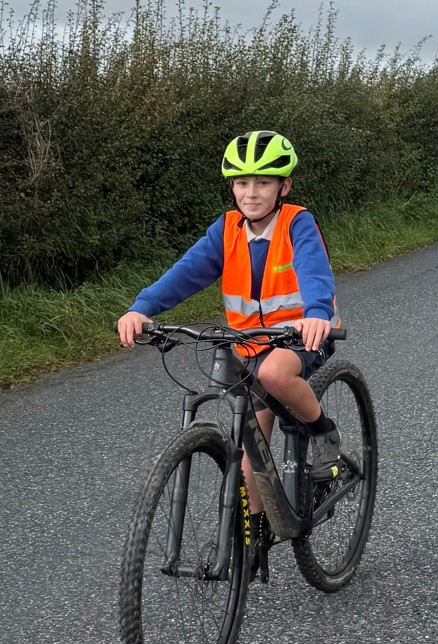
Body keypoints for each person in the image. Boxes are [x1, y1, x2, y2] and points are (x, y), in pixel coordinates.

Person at [116, 130, 343, 581]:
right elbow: (186, 273)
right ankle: (255, 530)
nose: (251, 192)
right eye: (241, 183)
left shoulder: (297, 223)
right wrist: (142, 307)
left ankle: (324, 435)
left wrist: (317, 313)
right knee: (248, 452)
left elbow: (314, 272)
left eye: (262, 182)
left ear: (285, 187)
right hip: (247, 346)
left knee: (277, 375)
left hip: (301, 338)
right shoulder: (226, 230)